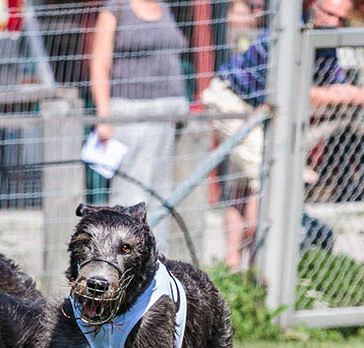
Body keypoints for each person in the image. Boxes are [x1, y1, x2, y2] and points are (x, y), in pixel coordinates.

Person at [202, 0, 364, 269]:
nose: (333, 22)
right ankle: (255, 267)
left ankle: (235, 267)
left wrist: (345, 92)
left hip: (259, 108)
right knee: (264, 178)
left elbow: (332, 80)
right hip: (232, 100)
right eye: (328, 13)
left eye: (340, 19)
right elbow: (297, 90)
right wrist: (349, 94)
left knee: (243, 186)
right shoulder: (293, 31)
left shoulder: (324, 35)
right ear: (312, 5)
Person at [89, 0, 189, 246]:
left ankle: (156, 263)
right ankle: (123, 260)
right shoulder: (116, 9)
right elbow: (99, 63)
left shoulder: (164, 7)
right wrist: (104, 116)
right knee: (131, 198)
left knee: (161, 198)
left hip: (167, 118)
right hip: (133, 116)